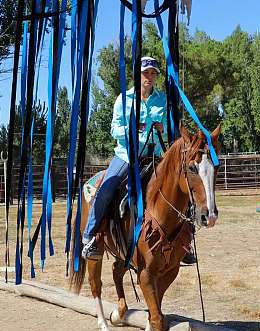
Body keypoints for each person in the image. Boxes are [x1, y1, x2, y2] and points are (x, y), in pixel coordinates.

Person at [81, 56, 196, 265]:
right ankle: (90, 237)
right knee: (108, 187)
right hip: (127, 155)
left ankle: (184, 242)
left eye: (153, 74)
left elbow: (171, 126)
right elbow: (114, 128)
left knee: (182, 187)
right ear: (138, 75)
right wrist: (131, 128)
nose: (149, 77)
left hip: (156, 155)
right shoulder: (123, 99)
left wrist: (163, 128)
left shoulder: (162, 99)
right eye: (146, 73)